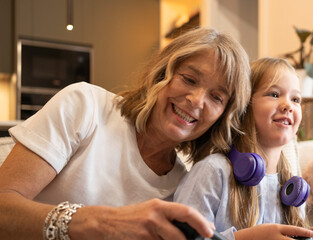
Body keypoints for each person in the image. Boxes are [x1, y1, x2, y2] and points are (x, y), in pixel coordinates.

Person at [0, 27, 251, 240]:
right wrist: (100, 223)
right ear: (162, 74)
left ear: (222, 116)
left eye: (216, 97)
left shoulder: (183, 185)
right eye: (189, 79)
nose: (196, 101)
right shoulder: (85, 106)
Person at [174, 57, 313, 240]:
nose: (288, 105)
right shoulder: (213, 171)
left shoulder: (292, 189)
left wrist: (309, 236)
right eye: (274, 94)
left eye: (295, 99)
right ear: (245, 105)